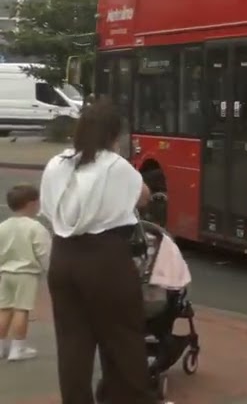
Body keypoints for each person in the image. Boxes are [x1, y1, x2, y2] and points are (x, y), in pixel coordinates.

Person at [40, 101, 155, 404]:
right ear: (114, 134)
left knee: (72, 342)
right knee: (122, 337)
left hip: (63, 256)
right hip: (106, 258)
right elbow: (143, 196)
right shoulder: (116, 165)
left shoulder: (57, 163)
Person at [0, 183, 51, 361]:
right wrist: (49, 270)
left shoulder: (3, 226)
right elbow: (44, 252)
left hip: (5, 272)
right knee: (22, 309)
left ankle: (0, 346)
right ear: (31, 204)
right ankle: (18, 348)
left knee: (4, 308)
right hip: (26, 274)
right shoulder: (35, 228)